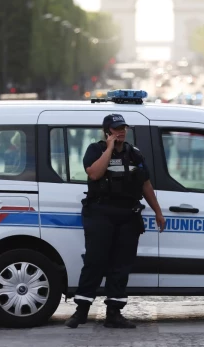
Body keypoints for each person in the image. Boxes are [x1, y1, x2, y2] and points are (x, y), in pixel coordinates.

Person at [65, 114, 166, 329]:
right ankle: (81, 311)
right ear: (107, 131)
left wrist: (158, 211)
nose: (121, 131)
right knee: (95, 261)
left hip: (127, 215)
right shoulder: (96, 150)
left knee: (121, 265)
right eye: (116, 128)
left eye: (123, 128)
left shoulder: (134, 154)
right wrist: (109, 149)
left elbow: (145, 184)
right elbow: (94, 173)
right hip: (100, 212)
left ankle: (114, 313)